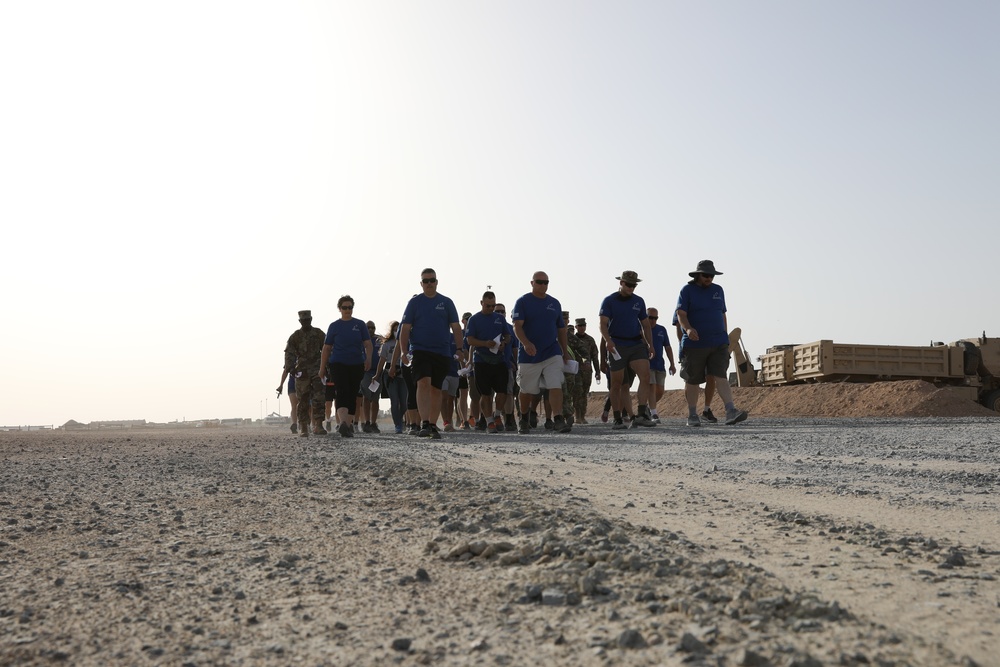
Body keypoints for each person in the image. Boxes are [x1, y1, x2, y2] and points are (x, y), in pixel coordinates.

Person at [675, 260, 748, 426]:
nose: (709, 278)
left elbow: (722, 314)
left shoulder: (718, 290)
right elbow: (681, 314)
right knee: (693, 380)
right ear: (698, 275)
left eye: (712, 275)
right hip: (695, 344)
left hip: (718, 342)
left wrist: (725, 335)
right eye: (706, 275)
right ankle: (692, 415)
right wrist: (688, 329)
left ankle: (730, 411)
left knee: (720, 375)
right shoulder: (687, 290)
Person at [397, 268, 466, 439]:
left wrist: (459, 348)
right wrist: (404, 351)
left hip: (442, 352)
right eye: (425, 281)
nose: (429, 283)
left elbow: (456, 327)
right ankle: (425, 423)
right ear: (421, 284)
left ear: (437, 282)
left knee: (437, 389)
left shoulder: (447, 302)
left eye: (432, 280)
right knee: (423, 383)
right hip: (420, 350)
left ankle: (433, 425)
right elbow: (405, 329)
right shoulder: (414, 303)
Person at [511, 271, 571, 434]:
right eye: (539, 282)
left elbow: (561, 329)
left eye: (546, 283)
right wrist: (526, 343)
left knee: (555, 384)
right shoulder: (523, 302)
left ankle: (558, 419)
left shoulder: (554, 303)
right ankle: (523, 418)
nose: (543, 285)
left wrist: (564, 352)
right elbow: (517, 326)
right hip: (529, 355)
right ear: (532, 283)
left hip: (551, 352)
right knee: (526, 390)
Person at [599, 270, 656, 429]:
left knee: (645, 377)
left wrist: (650, 345)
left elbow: (645, 324)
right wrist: (608, 341)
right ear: (621, 283)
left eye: (634, 285)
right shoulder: (609, 301)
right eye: (629, 284)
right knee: (617, 384)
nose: (631, 287)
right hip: (617, 345)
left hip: (636, 344)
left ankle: (641, 414)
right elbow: (602, 324)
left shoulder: (639, 301)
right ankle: (617, 417)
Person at [318, 295, 373, 438]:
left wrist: (368, 359)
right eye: (345, 307)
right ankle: (342, 423)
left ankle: (348, 425)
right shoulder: (334, 326)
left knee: (352, 393)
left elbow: (368, 344)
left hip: (356, 364)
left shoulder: (360, 325)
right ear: (339, 309)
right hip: (338, 363)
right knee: (342, 391)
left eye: (350, 307)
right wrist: (322, 368)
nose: (347, 310)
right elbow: (326, 348)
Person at [465, 291, 513, 433]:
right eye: (488, 306)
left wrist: (504, 342)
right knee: (485, 394)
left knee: (502, 392)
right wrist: (485, 343)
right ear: (481, 303)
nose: (491, 308)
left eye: (493, 306)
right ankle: (489, 422)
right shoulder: (474, 319)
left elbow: (508, 336)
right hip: (481, 360)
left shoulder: (499, 318)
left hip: (499, 360)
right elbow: (470, 340)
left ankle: (497, 415)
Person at [282, 310, 328, 437]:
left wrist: (327, 367)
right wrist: (291, 367)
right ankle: (304, 427)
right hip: (302, 371)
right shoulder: (295, 336)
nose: (306, 322)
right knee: (302, 400)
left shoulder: (318, 334)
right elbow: (289, 352)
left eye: (307, 320)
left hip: (317, 370)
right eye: (303, 320)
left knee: (319, 397)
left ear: (311, 319)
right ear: (300, 321)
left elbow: (327, 349)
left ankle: (318, 425)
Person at [673, 311, 717, 422]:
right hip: (690, 349)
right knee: (691, 380)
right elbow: (679, 329)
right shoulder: (681, 307)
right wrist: (683, 345)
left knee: (711, 377)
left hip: (709, 347)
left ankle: (706, 410)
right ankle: (692, 412)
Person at [374, 321, 408, 433]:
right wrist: (377, 375)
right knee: (394, 400)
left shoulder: (406, 343)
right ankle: (398, 424)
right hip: (389, 374)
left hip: (403, 373)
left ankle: (400, 418)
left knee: (404, 402)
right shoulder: (387, 345)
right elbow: (382, 361)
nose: (396, 331)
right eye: (395, 329)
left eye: (398, 329)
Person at [646, 307, 676, 422]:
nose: (653, 320)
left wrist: (672, 364)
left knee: (660, 391)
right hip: (648, 365)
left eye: (655, 318)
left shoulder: (661, 330)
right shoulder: (642, 330)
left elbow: (667, 347)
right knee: (651, 387)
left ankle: (648, 408)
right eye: (650, 317)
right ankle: (654, 414)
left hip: (660, 365)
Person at [572, 318, 600, 424]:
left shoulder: (590, 340)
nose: (582, 328)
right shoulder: (573, 340)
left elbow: (595, 357)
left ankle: (582, 416)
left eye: (583, 325)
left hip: (587, 371)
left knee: (584, 393)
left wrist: (597, 371)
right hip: (575, 370)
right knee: (576, 393)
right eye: (580, 326)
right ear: (576, 327)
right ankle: (577, 415)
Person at [359, 321, 382, 433]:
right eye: (368, 327)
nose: (370, 329)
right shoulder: (361, 340)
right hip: (365, 372)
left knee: (376, 398)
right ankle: (367, 422)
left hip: (377, 372)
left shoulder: (379, 340)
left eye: (372, 327)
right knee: (366, 397)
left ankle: (373, 423)